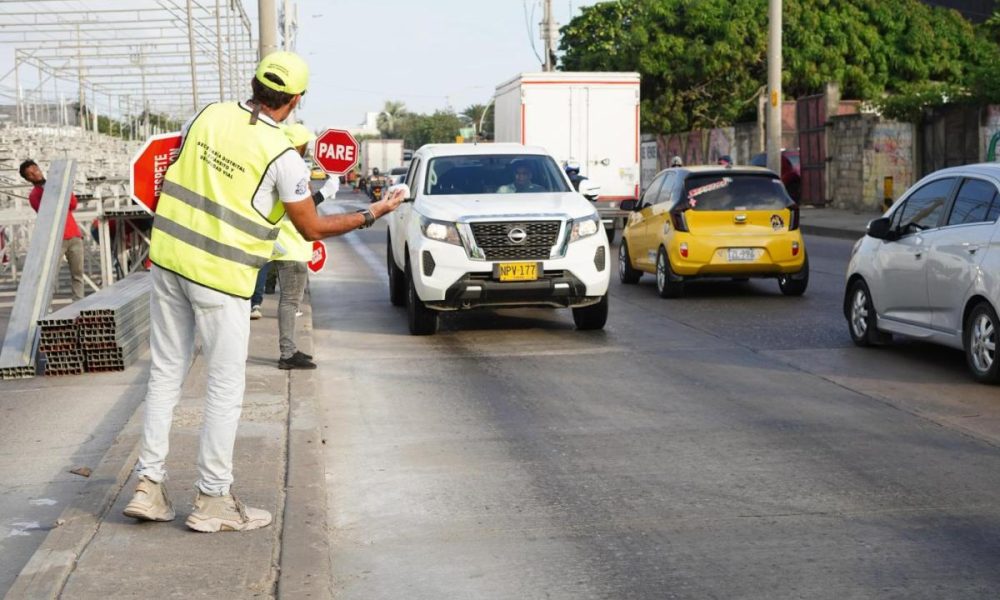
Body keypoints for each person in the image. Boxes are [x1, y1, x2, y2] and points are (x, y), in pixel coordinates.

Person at [122, 51, 403, 533]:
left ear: (254, 84)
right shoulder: (284, 158)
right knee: (224, 388)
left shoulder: (206, 114)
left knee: (166, 374)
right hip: (221, 278)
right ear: (295, 100)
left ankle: (148, 486)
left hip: (168, 262)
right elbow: (310, 226)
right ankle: (212, 498)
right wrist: (375, 212)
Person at [271, 122, 336, 370]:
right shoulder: (290, 168)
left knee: (290, 300)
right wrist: (324, 194)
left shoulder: (281, 164)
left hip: (287, 242)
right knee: (289, 301)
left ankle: (290, 350)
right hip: (291, 244)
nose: (308, 147)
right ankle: (287, 354)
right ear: (299, 145)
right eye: (305, 143)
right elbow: (299, 209)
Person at [19, 159, 85, 301]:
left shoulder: (58, 185)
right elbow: (46, 213)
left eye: (35, 170)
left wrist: (65, 189)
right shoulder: (34, 196)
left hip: (73, 234)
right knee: (51, 275)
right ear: (27, 179)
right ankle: (44, 305)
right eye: (30, 174)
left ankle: (79, 302)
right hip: (56, 238)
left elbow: (73, 204)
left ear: (39, 169)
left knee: (78, 273)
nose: (35, 174)